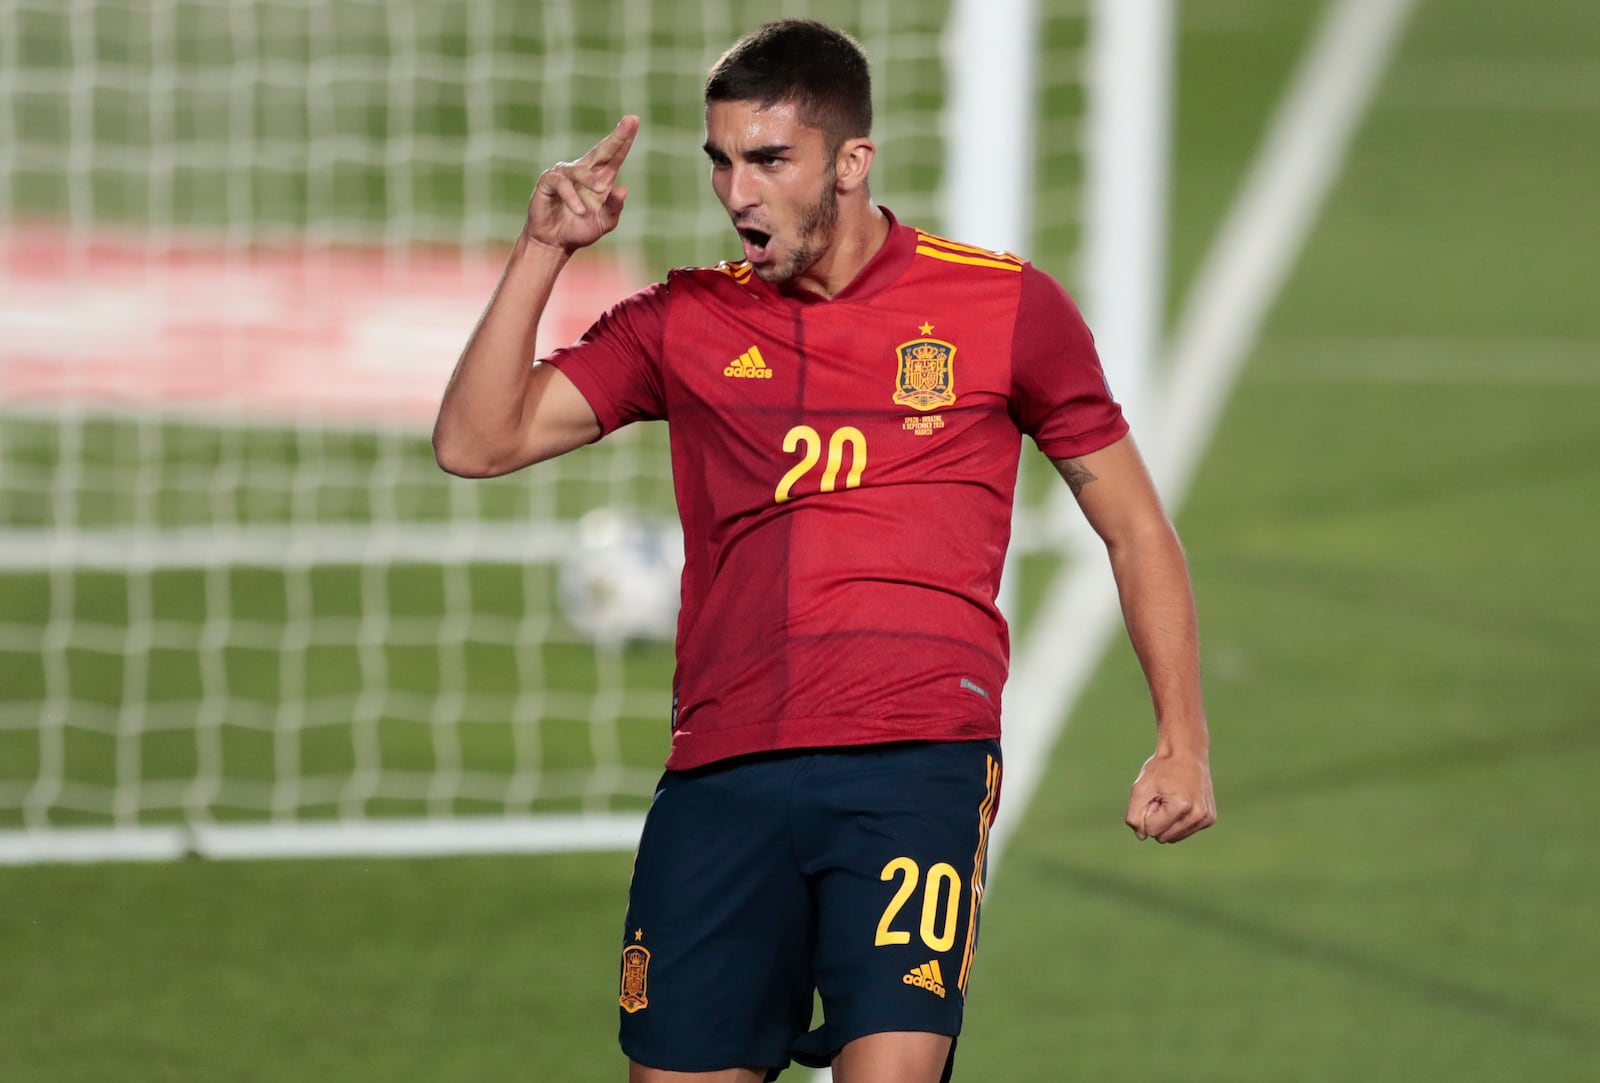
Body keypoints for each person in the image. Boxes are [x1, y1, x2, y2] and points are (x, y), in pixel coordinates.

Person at [433, 19, 1215, 1083]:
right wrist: (542, 252)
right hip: (723, 772)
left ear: (851, 161)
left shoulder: (1001, 306)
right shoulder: (685, 319)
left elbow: (1133, 526)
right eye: (720, 162)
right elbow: (477, 443)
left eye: (767, 160)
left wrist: (1181, 737)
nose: (738, 193)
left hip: (913, 761)